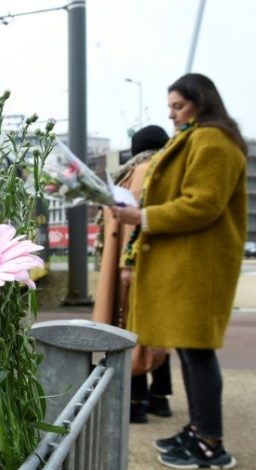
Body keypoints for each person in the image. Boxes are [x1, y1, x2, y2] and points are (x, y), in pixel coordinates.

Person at [112, 73, 247, 470]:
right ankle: (198, 430)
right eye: (170, 107)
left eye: (178, 106)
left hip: (199, 268)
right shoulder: (201, 138)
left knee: (198, 354)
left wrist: (143, 215)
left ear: (201, 102)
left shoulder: (212, 140)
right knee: (190, 352)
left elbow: (203, 204)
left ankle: (210, 444)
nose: (171, 115)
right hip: (193, 265)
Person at [93, 125, 173, 425]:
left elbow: (130, 225)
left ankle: (136, 401)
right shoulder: (162, 169)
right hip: (152, 262)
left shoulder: (134, 172)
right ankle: (160, 397)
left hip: (131, 265)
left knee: (130, 327)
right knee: (157, 330)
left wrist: (125, 264)